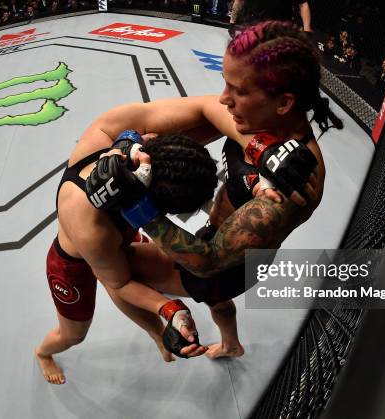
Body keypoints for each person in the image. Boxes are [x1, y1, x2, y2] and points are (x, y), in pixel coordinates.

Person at [86, 20, 342, 358]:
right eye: (226, 85)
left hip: (226, 265)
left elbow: (205, 262)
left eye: (238, 91)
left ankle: (160, 333)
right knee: (217, 302)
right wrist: (261, 150)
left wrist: (137, 206)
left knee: (109, 266)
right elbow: (208, 110)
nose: (224, 99)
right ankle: (232, 345)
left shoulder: (291, 187)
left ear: (283, 102)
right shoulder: (267, 125)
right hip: (226, 233)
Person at [35, 130, 218, 384]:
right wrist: (172, 308)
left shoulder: (145, 153)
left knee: (126, 273)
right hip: (72, 264)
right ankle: (42, 353)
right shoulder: (94, 231)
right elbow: (118, 283)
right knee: (73, 335)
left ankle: (155, 331)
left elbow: (203, 112)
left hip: (118, 239)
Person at [230, 0, 312, 35]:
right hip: (254, 23)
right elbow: (239, 1)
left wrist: (307, 30)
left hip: (280, 26)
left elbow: (303, 5)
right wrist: (232, 22)